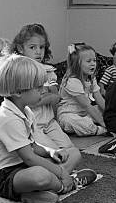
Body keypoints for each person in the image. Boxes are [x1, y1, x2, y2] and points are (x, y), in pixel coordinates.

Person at [0, 54, 97, 203]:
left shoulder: (25, 111)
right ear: (18, 92)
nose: (43, 91)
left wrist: (51, 152)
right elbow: (30, 158)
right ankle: (65, 186)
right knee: (40, 174)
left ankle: (36, 193)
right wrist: (61, 173)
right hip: (6, 176)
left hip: (23, 166)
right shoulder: (8, 118)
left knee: (73, 153)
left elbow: (33, 146)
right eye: (38, 88)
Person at [11, 24, 75, 155]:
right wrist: (47, 97)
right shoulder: (20, 73)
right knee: (53, 151)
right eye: (32, 47)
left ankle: (64, 170)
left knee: (70, 149)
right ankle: (57, 171)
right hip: (32, 126)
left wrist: (46, 98)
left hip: (50, 122)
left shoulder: (48, 71)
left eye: (41, 47)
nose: (38, 51)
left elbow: (56, 97)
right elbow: (29, 102)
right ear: (20, 48)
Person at [57, 43, 107, 136]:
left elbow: (99, 98)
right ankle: (99, 130)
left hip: (85, 114)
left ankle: (94, 124)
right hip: (69, 114)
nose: (93, 64)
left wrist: (111, 113)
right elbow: (86, 105)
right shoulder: (72, 81)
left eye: (94, 60)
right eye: (88, 61)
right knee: (72, 121)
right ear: (77, 63)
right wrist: (104, 123)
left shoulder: (91, 78)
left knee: (103, 109)